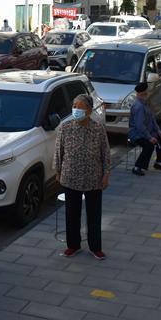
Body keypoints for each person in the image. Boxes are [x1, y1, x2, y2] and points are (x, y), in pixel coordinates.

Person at [53, 94, 111, 260]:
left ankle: (95, 247)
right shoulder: (65, 127)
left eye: (80, 107)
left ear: (89, 110)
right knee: (72, 213)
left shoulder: (98, 128)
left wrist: (106, 174)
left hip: (93, 177)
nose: (76, 110)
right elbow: (58, 151)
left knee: (94, 214)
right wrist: (57, 171)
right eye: (74, 106)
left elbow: (105, 153)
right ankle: (73, 245)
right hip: (70, 177)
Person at [128, 82, 161, 176]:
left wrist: (158, 131)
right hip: (137, 134)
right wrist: (149, 137)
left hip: (148, 132)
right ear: (143, 93)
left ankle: (159, 162)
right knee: (149, 145)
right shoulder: (138, 106)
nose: (148, 93)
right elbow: (139, 126)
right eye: (146, 91)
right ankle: (137, 167)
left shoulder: (145, 103)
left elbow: (152, 119)